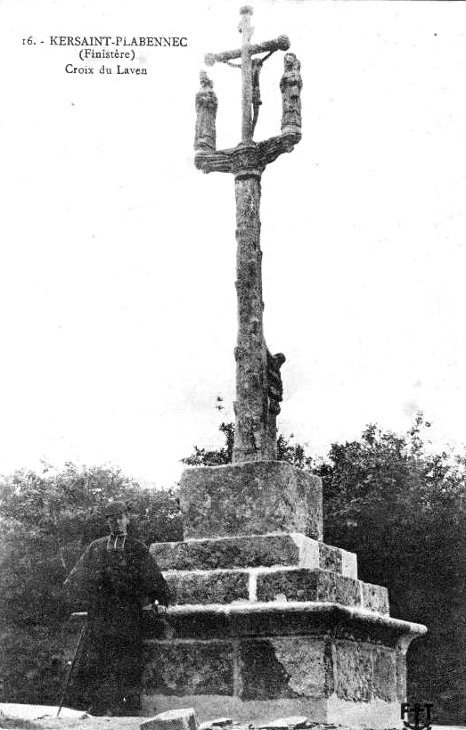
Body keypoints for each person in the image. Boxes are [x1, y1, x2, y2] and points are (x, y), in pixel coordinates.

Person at [63, 500, 171, 716]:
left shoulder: (137, 548)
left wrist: (161, 601)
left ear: (127, 519)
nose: (117, 522)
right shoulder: (96, 547)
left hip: (128, 613)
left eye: (120, 517)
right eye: (112, 519)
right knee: (99, 659)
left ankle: (127, 708)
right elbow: (76, 578)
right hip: (101, 613)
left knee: (127, 658)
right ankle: (99, 706)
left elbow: (153, 578)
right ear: (107, 522)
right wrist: (85, 597)